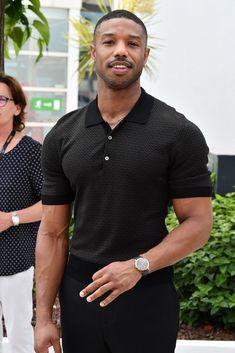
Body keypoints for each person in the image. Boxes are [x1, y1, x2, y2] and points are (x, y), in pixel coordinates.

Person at [34, 9, 213, 353]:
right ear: (94, 53)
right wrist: (43, 317)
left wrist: (138, 266)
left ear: (144, 55)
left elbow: (198, 223)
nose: (120, 50)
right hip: (79, 296)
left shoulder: (178, 132)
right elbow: (53, 232)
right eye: (109, 42)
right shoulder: (63, 134)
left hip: (148, 295)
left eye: (132, 44)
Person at [0, 73, 43, 353]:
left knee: (19, 338)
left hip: (15, 259)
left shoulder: (33, 152)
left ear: (17, 108)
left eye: (0, 99)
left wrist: (11, 218)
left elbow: (51, 204)